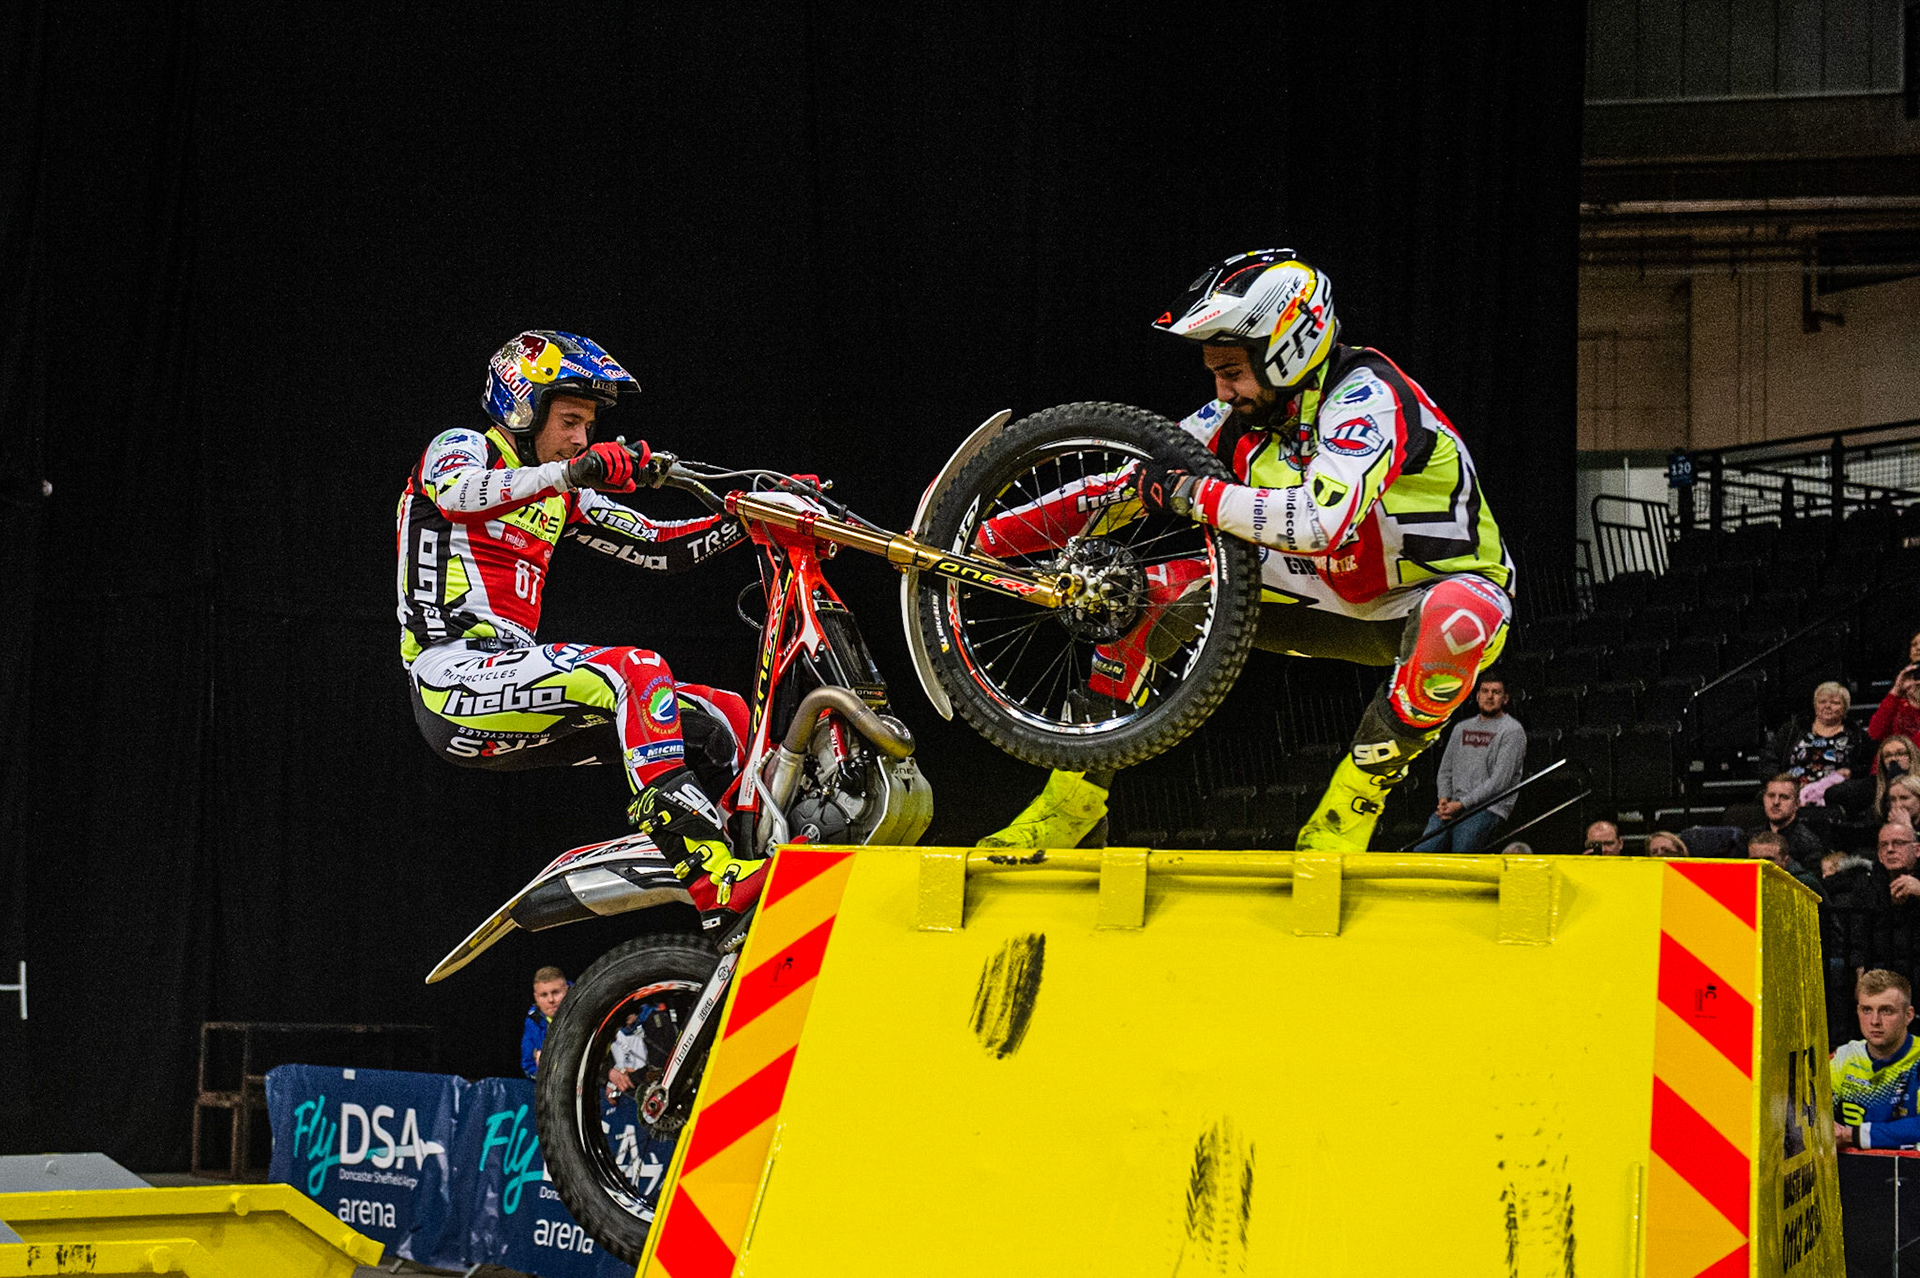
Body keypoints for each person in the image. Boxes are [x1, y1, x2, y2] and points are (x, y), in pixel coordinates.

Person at [980, 249, 1513, 853]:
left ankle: (1347, 812)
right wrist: (985, 537)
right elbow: (1124, 481)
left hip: (1429, 592)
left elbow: (1321, 521)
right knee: (1139, 594)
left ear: (1289, 347)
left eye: (1232, 370)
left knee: (1459, 619)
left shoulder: (1370, 396)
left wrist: (1193, 494)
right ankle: (1069, 806)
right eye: (1214, 372)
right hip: (1317, 588)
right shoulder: (1244, 413)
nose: (1222, 388)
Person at [397, 331, 764, 907]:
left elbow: (660, 546)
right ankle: (707, 871)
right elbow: (457, 496)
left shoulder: (562, 488)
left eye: (588, 427)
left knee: (724, 715)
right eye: (570, 420)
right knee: (636, 668)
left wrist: (752, 519)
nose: (580, 438)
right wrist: (574, 472)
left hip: (510, 685)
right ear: (522, 404)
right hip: (449, 677)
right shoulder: (464, 447)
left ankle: (748, 864)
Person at [1412, 676, 1526, 854]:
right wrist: (1444, 799)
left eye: (1496, 692)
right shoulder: (1461, 728)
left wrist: (1462, 804)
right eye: (1485, 691)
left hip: (1488, 808)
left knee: (1462, 855)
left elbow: (1499, 781)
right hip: (1454, 805)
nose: (1489, 697)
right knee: (1422, 852)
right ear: (1477, 696)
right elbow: (1445, 770)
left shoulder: (1512, 731)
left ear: (1505, 699)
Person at [1832, 970, 1920, 1150]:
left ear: (1908, 1015)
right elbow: (1807, 1113)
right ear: (1857, 1011)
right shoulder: (1844, 1057)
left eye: (1886, 1011)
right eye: (1867, 1010)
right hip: (1853, 1172)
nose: (1875, 1021)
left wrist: (1853, 1135)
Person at [1765, 682, 1870, 812]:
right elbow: (1770, 759)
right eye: (1822, 702)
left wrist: (1848, 775)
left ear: (1845, 708)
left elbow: (1864, 770)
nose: (1827, 706)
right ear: (1815, 706)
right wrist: (1779, 785)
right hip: (1790, 791)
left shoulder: (1857, 736)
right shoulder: (1793, 729)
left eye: (1835, 703)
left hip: (1833, 795)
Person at [1743, 775, 1827, 877]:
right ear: (1764, 799)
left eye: (1784, 797)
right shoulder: (1748, 837)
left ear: (1797, 804)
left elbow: (1810, 886)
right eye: (1771, 796)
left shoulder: (1809, 843)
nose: (1776, 802)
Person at [522, 966, 568, 1080]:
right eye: (544, 995)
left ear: (567, 990)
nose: (551, 1000)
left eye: (555, 992)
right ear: (536, 997)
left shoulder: (585, 1008)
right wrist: (543, 1071)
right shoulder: (533, 1022)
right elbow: (528, 1066)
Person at [1749, 829, 1824, 897]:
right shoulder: (1743, 883)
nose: (1762, 864)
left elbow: (1827, 911)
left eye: (1769, 859)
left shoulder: (1804, 884)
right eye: (1755, 859)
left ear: (1785, 861)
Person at [1870, 655, 1920, 749]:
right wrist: (1896, 689)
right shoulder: (1894, 705)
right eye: (1914, 676)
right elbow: (1875, 733)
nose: (1917, 682)